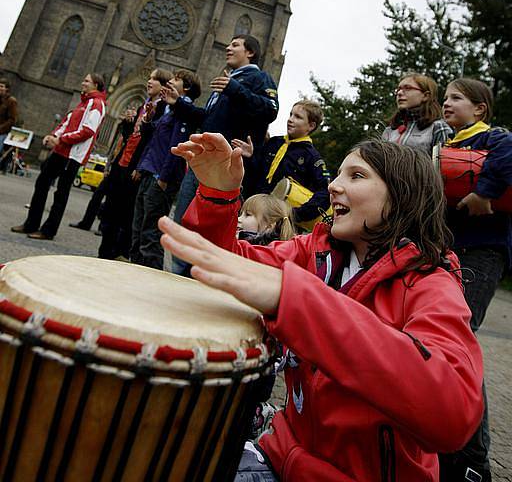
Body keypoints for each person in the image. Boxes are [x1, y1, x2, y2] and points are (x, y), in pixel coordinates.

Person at [159, 133, 484, 482]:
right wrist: (218, 193)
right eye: (339, 174)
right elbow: (223, 265)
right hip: (278, 453)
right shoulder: (315, 251)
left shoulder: (429, 282)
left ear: (403, 193)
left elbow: (453, 411)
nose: (333, 186)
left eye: (356, 176)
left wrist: (296, 300)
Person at [439, 78, 512, 482]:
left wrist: (484, 191)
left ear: (480, 108)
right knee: (449, 341)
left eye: (456, 98)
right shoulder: (448, 146)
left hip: (482, 253)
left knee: (459, 340)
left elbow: (510, 155)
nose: (446, 103)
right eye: (445, 98)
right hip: (450, 251)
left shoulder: (495, 138)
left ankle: (473, 463)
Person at [168, 35, 278, 226]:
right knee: (183, 224)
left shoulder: (260, 78)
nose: (228, 48)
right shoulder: (229, 80)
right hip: (201, 163)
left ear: (250, 52)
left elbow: (270, 109)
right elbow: (208, 119)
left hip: (225, 168)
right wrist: (177, 103)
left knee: (208, 231)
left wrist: (235, 89)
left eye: (235, 45)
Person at [11, 73, 106, 241]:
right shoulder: (83, 102)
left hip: (73, 156)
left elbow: (88, 131)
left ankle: (48, 231)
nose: (82, 82)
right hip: (61, 151)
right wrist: (52, 135)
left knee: (61, 193)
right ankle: (31, 223)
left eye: (86, 81)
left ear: (96, 85)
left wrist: (60, 139)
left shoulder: (97, 104)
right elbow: (66, 123)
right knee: (42, 183)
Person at [96, 68, 174, 260]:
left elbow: (152, 141)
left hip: (137, 168)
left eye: (155, 79)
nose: (149, 81)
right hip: (123, 163)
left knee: (127, 215)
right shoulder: (143, 105)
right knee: (110, 213)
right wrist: (128, 125)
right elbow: (131, 137)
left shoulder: (164, 109)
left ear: (164, 86)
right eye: (149, 78)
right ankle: (105, 254)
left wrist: (140, 167)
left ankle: (119, 254)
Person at [129, 69, 201, 269]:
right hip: (149, 172)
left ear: (186, 88)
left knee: (150, 233)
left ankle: (150, 275)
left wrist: (164, 178)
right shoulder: (170, 108)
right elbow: (153, 139)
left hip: (161, 177)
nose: (170, 81)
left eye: (176, 79)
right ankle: (133, 270)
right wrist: (148, 120)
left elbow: (177, 147)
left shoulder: (183, 110)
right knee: (138, 229)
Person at [233, 100, 330, 229]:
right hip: (254, 212)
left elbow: (325, 192)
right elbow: (258, 174)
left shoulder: (311, 156)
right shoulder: (274, 142)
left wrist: (296, 214)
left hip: (280, 225)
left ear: (311, 126)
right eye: (291, 114)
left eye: (298, 117)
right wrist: (251, 157)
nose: (290, 119)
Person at [382, 72, 452, 153]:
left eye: (407, 88)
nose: (399, 93)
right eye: (398, 89)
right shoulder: (389, 130)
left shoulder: (438, 128)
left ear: (426, 96)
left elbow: (444, 163)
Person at [0, 77, 18, 160]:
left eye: (1, 86)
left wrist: (1, 128)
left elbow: (12, 119)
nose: (0, 88)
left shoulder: (11, 101)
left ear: (7, 89)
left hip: (1, 133)